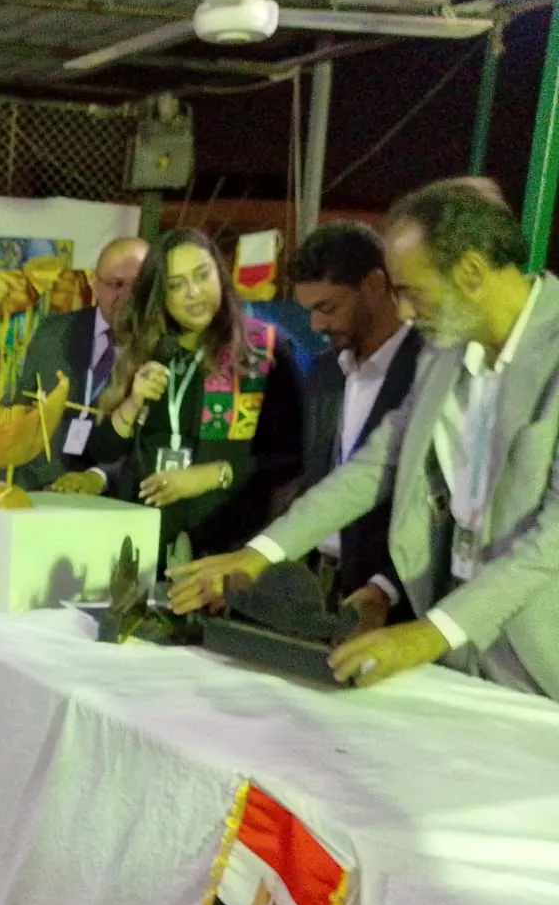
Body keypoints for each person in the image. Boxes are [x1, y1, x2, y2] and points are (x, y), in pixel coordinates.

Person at [170, 179, 559, 699]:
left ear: (470, 271)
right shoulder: (444, 350)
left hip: (539, 666)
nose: (404, 312)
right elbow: (377, 463)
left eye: (412, 291)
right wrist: (261, 553)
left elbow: (550, 542)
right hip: (455, 654)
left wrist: (429, 633)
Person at [84, 228, 304, 570]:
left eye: (202, 275)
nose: (193, 292)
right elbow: (103, 450)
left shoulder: (264, 349)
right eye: (176, 284)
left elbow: (291, 457)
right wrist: (132, 403)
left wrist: (211, 475)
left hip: (225, 546)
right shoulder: (148, 348)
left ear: (221, 276)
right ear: (161, 294)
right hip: (143, 543)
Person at [289, 222, 422, 628]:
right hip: (319, 589)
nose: (316, 325)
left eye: (327, 308)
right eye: (310, 311)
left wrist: (386, 588)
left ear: (375, 284)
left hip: (396, 606)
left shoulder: (429, 371)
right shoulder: (324, 373)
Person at [17, 235, 149, 494]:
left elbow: (150, 444)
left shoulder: (161, 348)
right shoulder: (53, 332)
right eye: (117, 284)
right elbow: (21, 405)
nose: (127, 296)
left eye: (139, 286)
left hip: (111, 498)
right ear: (94, 283)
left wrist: (98, 476)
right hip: (37, 489)